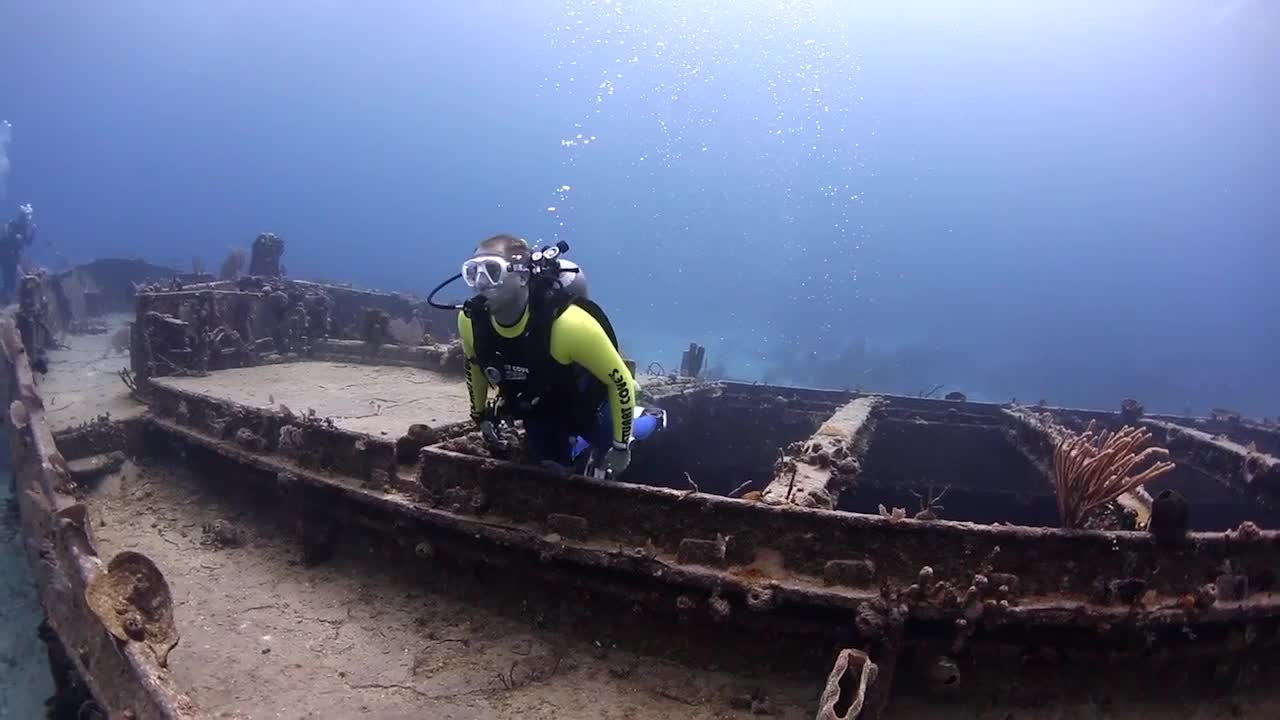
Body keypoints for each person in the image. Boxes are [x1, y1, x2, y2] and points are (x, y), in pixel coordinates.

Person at [456, 234, 664, 477]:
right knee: (553, 467)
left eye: (492, 271)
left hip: (587, 405)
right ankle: (576, 446)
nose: (480, 283)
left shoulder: (568, 325)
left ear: (523, 276)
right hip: (539, 407)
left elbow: (619, 382)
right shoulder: (471, 322)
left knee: (610, 438)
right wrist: (480, 416)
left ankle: (652, 417)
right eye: (472, 272)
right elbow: (474, 366)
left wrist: (620, 447)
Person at [1, 203, 35, 306]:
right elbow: (8, 238)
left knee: (9, 281)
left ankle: (4, 301)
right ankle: (4, 299)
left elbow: (27, 242)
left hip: (11, 257)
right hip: (6, 255)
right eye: (26, 217)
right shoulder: (14, 225)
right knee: (8, 279)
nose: (28, 220)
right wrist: (15, 237)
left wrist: (33, 231)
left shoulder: (23, 228)